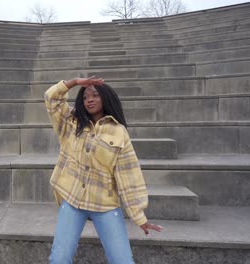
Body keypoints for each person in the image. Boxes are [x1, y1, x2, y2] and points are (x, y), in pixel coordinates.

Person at [45, 76, 163, 264]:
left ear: (105, 98)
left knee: (122, 260)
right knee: (59, 258)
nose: (89, 99)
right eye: (85, 97)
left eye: (95, 95)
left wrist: (139, 216)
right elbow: (51, 98)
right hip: (73, 200)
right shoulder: (71, 121)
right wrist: (75, 82)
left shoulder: (118, 132)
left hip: (105, 205)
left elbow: (129, 175)